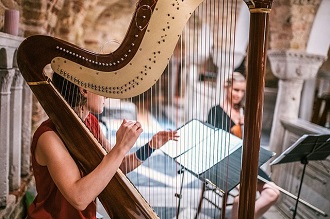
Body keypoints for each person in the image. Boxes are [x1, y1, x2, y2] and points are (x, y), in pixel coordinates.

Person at [27, 72, 179, 219]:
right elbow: (79, 198)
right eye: (102, 88)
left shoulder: (91, 123)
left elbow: (116, 168)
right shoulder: (48, 137)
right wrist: (121, 147)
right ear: (84, 90)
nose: (106, 95)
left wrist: (150, 146)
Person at [206, 72, 280, 219]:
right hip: (225, 163)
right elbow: (215, 143)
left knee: (273, 193)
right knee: (245, 198)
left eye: (242, 91)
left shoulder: (244, 111)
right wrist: (236, 126)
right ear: (226, 87)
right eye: (236, 90)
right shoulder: (216, 111)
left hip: (245, 162)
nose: (239, 95)